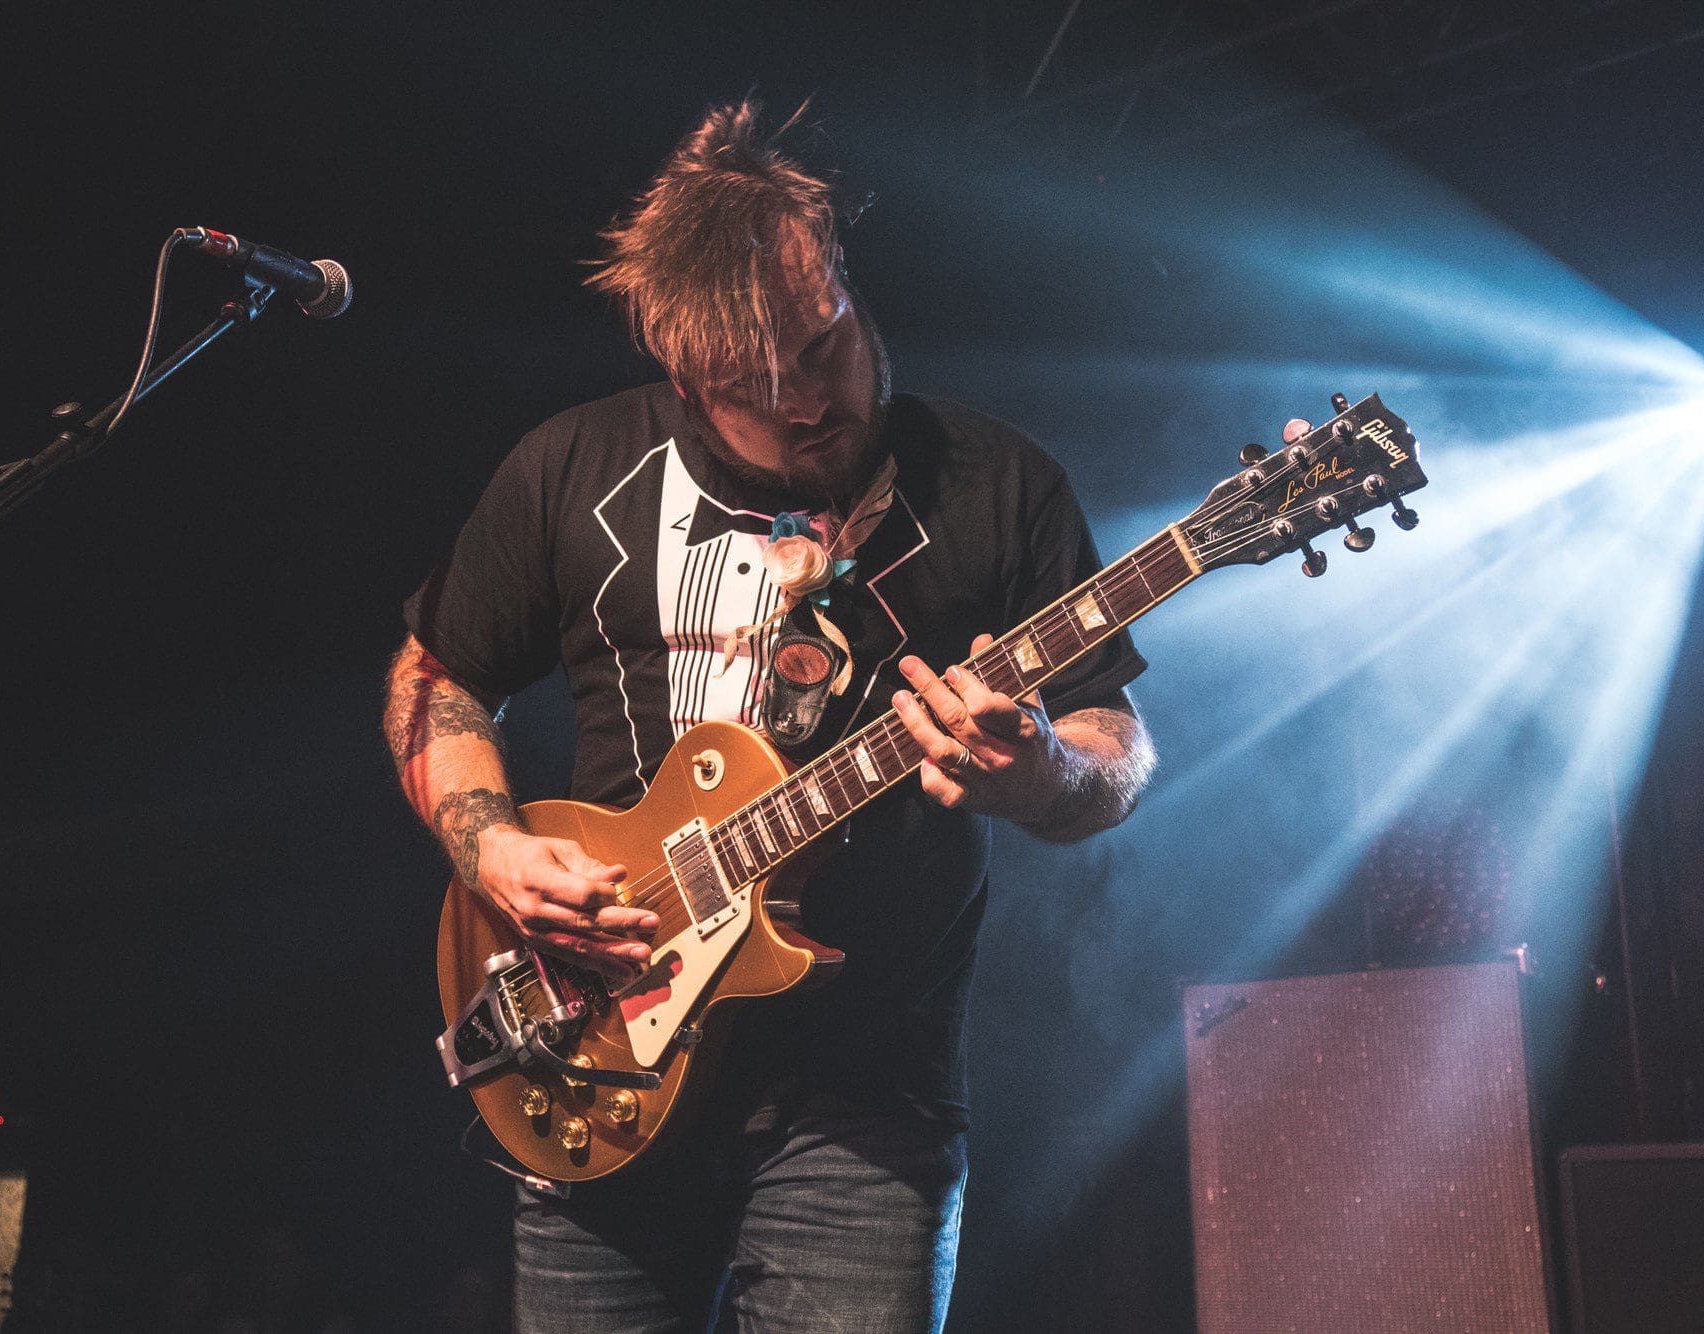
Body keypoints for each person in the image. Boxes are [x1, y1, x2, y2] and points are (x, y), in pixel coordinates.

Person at [384, 100, 1158, 1333]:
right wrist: (493, 848)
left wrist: (1043, 773)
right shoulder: (571, 469)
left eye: (821, 343)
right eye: (753, 384)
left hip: (866, 1102)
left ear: (842, 280)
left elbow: (1111, 746)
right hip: (593, 1052)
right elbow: (436, 680)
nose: (805, 401)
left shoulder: (997, 484)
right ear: (683, 375)